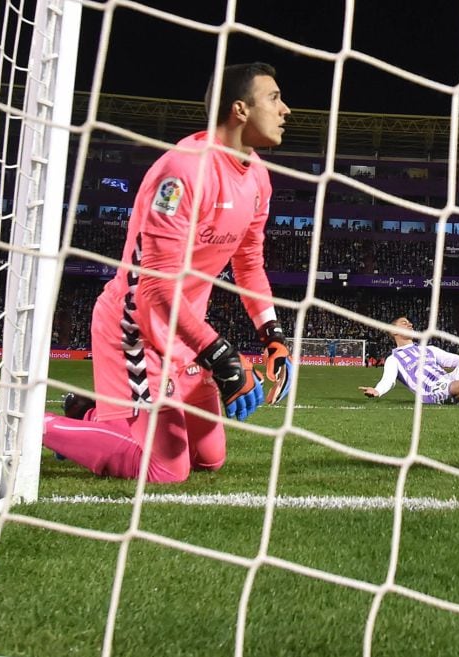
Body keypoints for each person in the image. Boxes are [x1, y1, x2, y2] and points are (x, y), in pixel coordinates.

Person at [41, 62, 293, 484]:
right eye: (274, 97)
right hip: (136, 326)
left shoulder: (259, 179)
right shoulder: (182, 172)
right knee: (166, 469)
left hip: (186, 333)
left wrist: (272, 335)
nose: (285, 109)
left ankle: (89, 412)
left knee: (209, 458)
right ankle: (25, 425)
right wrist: (220, 354)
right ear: (240, 109)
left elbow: (249, 263)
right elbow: (155, 290)